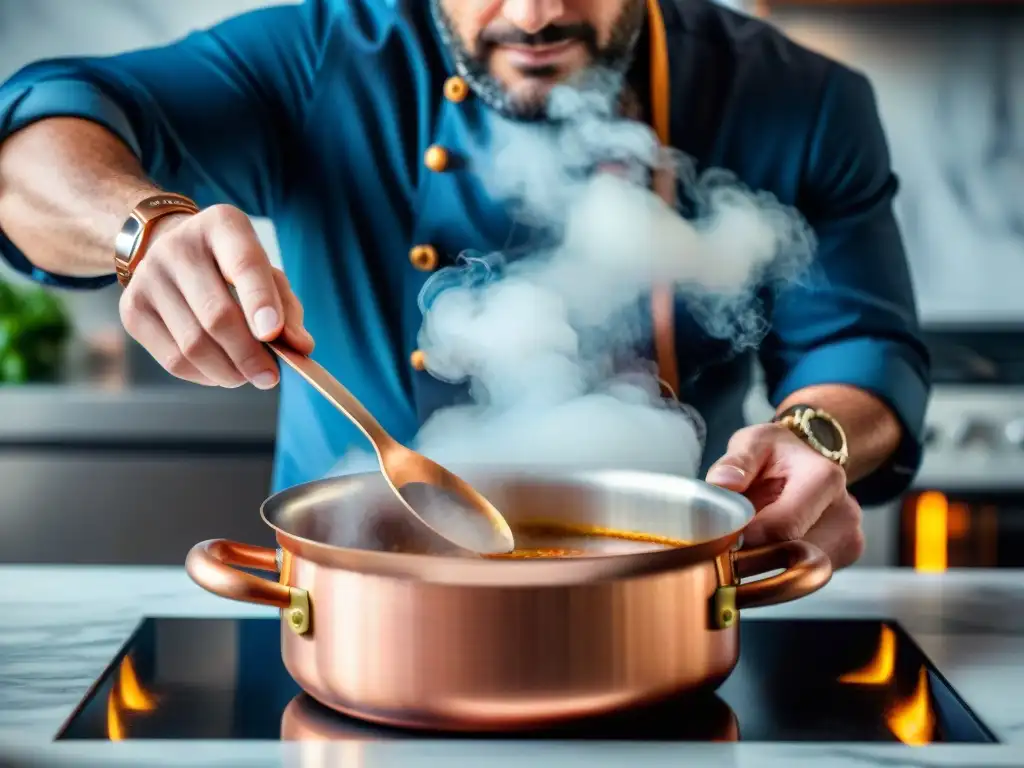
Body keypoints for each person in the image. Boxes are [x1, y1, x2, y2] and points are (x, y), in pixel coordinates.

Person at [0, 0, 930, 569]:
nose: (533, 13)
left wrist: (817, 436)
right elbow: (37, 138)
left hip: (665, 600)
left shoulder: (802, 99)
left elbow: (863, 346)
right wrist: (141, 227)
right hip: (351, 613)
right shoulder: (326, 54)